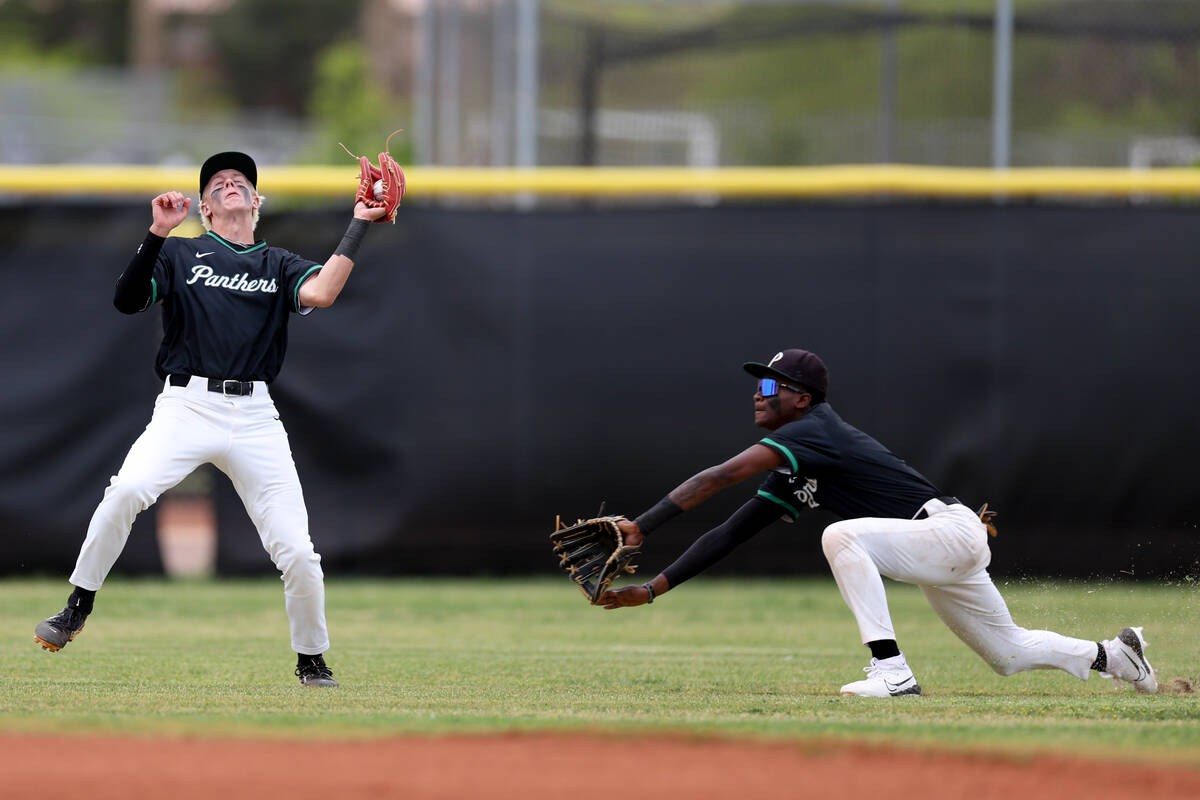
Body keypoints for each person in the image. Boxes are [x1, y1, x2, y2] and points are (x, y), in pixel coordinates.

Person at [598, 348, 1157, 697]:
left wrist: (642, 525)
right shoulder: (800, 461)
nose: (758, 393)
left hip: (945, 530)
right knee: (1008, 655)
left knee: (839, 533)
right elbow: (731, 531)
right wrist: (651, 590)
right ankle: (1115, 655)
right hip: (938, 543)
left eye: (769, 385)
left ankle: (891, 671)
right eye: (759, 383)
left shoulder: (815, 429)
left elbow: (719, 477)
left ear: (801, 397)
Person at [33, 151, 387, 687]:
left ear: (256, 202)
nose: (229, 183)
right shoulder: (180, 254)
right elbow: (127, 300)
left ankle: (311, 659)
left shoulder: (280, 264)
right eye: (217, 182)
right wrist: (156, 232)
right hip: (187, 405)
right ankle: (78, 604)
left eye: (239, 180)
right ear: (204, 206)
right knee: (126, 490)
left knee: (297, 550)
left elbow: (322, 292)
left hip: (255, 416)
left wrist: (359, 223)